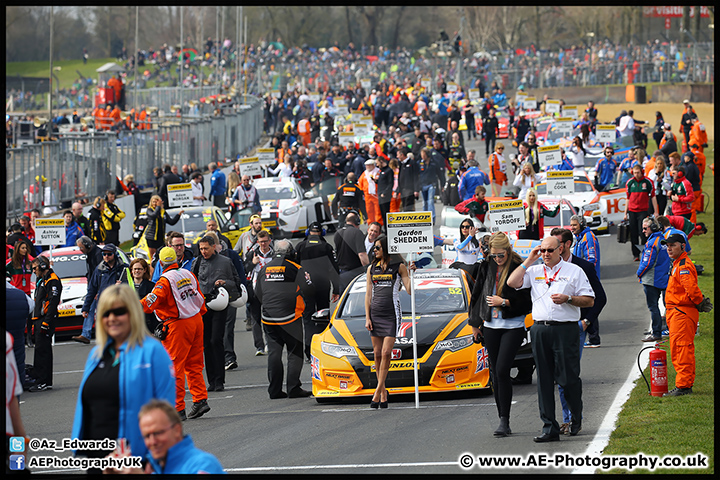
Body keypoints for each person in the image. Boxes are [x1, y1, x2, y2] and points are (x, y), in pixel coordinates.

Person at [71, 285, 175, 466]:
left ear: (133, 313)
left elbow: (166, 411)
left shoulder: (153, 351)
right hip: (96, 459)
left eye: (119, 312)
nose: (111, 318)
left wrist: (155, 461)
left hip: (135, 459)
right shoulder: (96, 354)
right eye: (106, 313)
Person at [507, 237, 595, 442]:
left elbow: (590, 300)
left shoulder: (574, 271)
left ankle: (575, 417)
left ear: (560, 249)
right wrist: (529, 260)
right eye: (543, 250)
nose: (545, 254)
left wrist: (569, 299)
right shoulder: (535, 271)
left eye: (549, 250)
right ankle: (549, 427)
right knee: (544, 380)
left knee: (568, 379)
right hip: (540, 329)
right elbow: (512, 282)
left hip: (565, 330)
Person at [467, 233, 531, 436]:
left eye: (500, 255)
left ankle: (505, 418)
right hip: (490, 325)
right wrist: (475, 323)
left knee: (503, 369)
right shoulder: (486, 266)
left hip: (513, 325)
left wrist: (504, 302)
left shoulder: (518, 268)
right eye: (493, 255)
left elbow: (527, 302)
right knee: (495, 372)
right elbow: (476, 295)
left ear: (508, 250)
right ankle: (503, 419)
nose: (497, 259)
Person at [142, 247, 210, 419]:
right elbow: (199, 297)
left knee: (174, 368)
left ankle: (178, 407)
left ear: (160, 263)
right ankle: (200, 400)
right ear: (176, 260)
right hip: (195, 320)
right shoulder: (188, 274)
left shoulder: (164, 281)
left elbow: (150, 303)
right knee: (194, 365)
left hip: (178, 325)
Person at [550, 227, 607, 430]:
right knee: (557, 375)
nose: (550, 250)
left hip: (575, 328)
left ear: (566, 245)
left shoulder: (583, 267)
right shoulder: (545, 267)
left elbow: (600, 298)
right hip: (551, 328)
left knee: (568, 375)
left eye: (555, 244)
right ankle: (566, 418)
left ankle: (573, 417)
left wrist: (587, 322)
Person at [254, 239, 315, 399]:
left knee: (274, 353)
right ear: (291, 253)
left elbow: (258, 293)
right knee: (295, 353)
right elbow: (309, 289)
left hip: (268, 317)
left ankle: (274, 390)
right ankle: (293, 388)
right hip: (290, 317)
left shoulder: (264, 269)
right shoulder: (295, 268)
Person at [364, 234, 413, 408]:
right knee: (377, 354)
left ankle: (377, 392)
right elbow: (368, 294)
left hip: (392, 313)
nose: (374, 250)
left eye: (378, 247)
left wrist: (412, 273)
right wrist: (367, 317)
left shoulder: (398, 266)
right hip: (375, 314)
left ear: (386, 248)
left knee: (386, 353)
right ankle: (383, 392)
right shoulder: (372, 268)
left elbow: (408, 290)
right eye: (374, 248)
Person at [661, 234, 712, 396]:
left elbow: (692, 290)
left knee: (682, 349)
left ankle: (684, 386)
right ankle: (683, 384)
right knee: (678, 348)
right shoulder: (677, 263)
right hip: (676, 312)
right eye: (667, 245)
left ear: (683, 246)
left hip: (681, 313)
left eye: (672, 245)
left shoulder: (683, 266)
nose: (669, 248)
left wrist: (700, 301)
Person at [192, 235, 242, 392]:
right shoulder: (197, 262)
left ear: (214, 247)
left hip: (220, 304)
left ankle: (220, 380)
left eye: (206, 248)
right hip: (203, 306)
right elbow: (192, 282)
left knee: (216, 340)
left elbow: (237, 283)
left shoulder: (226, 262)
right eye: (201, 249)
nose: (203, 251)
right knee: (206, 343)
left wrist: (225, 283)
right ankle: (212, 381)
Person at [124, 399, 224, 474]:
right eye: (146, 436)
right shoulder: (153, 468)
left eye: (158, 433)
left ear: (177, 430)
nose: (152, 441)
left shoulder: (202, 466)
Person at [295, 222, 340, 361]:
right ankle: (323, 351)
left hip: (305, 286)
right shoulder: (327, 247)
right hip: (323, 286)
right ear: (322, 233)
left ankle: (308, 352)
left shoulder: (300, 246)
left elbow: (294, 267)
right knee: (322, 319)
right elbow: (334, 269)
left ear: (308, 232)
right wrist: (336, 289)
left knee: (307, 319)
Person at [78, 243, 129, 344]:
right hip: (103, 305)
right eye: (104, 254)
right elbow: (92, 290)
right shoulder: (99, 269)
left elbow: (133, 286)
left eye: (109, 254)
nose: (106, 256)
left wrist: (122, 284)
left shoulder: (124, 268)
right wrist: (86, 308)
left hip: (119, 304)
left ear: (114, 254)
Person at [28, 256, 62, 391]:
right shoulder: (43, 279)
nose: (33, 271)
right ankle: (44, 380)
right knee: (41, 349)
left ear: (42, 266)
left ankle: (43, 381)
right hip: (39, 319)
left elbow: (53, 302)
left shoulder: (52, 280)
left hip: (45, 320)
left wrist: (46, 322)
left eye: (35, 268)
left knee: (43, 351)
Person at [637, 217, 672, 343]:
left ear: (652, 228)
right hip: (663, 278)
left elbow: (647, 262)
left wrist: (638, 273)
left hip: (651, 280)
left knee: (653, 307)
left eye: (645, 228)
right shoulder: (664, 239)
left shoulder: (652, 243)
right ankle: (667, 329)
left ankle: (656, 333)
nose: (643, 231)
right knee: (666, 305)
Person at [244, 229, 273, 356]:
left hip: (270, 292)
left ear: (269, 241)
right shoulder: (252, 253)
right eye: (261, 242)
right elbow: (244, 269)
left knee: (269, 318)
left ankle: (269, 343)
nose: (263, 244)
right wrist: (252, 263)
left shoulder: (275, 253)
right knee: (256, 319)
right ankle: (259, 346)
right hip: (255, 290)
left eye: (265, 241)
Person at [623, 164, 659, 261]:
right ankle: (635, 254)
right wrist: (625, 213)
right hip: (632, 211)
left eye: (638, 172)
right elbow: (627, 198)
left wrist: (656, 211)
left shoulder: (648, 182)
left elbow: (653, 197)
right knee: (633, 233)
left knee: (642, 232)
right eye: (634, 173)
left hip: (643, 211)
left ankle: (645, 251)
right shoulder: (630, 183)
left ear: (642, 172)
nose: (636, 174)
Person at [334, 212, 370, 291]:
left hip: (342, 274)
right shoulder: (357, 233)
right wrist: (369, 269)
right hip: (355, 273)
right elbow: (362, 255)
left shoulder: (337, 233)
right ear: (357, 221)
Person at [144, 195, 183, 260]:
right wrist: (158, 207)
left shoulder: (163, 212)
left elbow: (171, 222)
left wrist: (178, 215)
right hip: (152, 237)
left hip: (160, 238)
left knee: (161, 255)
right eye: (154, 202)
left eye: (157, 202)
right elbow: (154, 215)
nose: (155, 204)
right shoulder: (149, 210)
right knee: (153, 257)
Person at [125, 258, 157, 332]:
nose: (137, 271)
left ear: (144, 270)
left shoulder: (151, 286)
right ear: (131, 271)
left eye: (139, 269)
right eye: (135, 269)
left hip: (146, 324)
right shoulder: (124, 285)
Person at [569, 215, 601, 279]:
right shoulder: (580, 238)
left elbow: (591, 260)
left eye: (575, 225)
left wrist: (586, 275)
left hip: (587, 278)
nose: (572, 228)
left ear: (581, 225)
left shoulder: (588, 237)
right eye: (571, 225)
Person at [418, 148, 444, 222]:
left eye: (424, 155)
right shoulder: (419, 163)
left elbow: (440, 174)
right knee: (424, 203)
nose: (422, 157)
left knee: (430, 201)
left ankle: (432, 218)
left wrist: (442, 184)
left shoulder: (434, 163)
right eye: (421, 155)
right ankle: (425, 218)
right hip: (422, 185)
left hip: (431, 184)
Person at [358, 158, 381, 225]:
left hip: (376, 194)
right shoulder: (365, 173)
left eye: (368, 165)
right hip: (367, 195)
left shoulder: (378, 171)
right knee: (369, 211)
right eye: (366, 165)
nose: (367, 167)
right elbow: (360, 183)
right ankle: (370, 224)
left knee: (377, 211)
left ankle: (378, 224)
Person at [396, 147, 419, 212]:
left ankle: (410, 222)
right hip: (403, 190)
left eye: (398, 155)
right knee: (404, 207)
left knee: (408, 208)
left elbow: (416, 177)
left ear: (402, 155)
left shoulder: (412, 163)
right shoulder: (401, 164)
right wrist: (398, 190)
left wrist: (416, 190)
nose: (397, 157)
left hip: (410, 190)